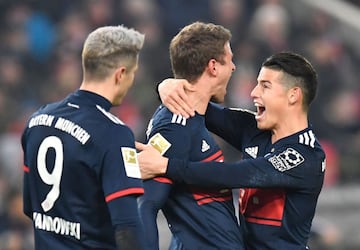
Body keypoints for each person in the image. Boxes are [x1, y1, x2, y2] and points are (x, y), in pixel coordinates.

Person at [136, 51, 326, 250]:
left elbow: (236, 174)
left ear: (293, 95)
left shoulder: (306, 155)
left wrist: (166, 166)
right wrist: (166, 87)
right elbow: (198, 103)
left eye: (265, 86)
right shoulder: (254, 129)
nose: (254, 93)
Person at [21, 25, 146, 250]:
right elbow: (127, 226)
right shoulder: (114, 133)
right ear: (120, 74)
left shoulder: (37, 120)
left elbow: (30, 206)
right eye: (133, 72)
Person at [138, 21, 244, 250]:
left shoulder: (193, 116)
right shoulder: (175, 125)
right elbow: (144, 205)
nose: (234, 67)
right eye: (230, 59)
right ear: (213, 66)